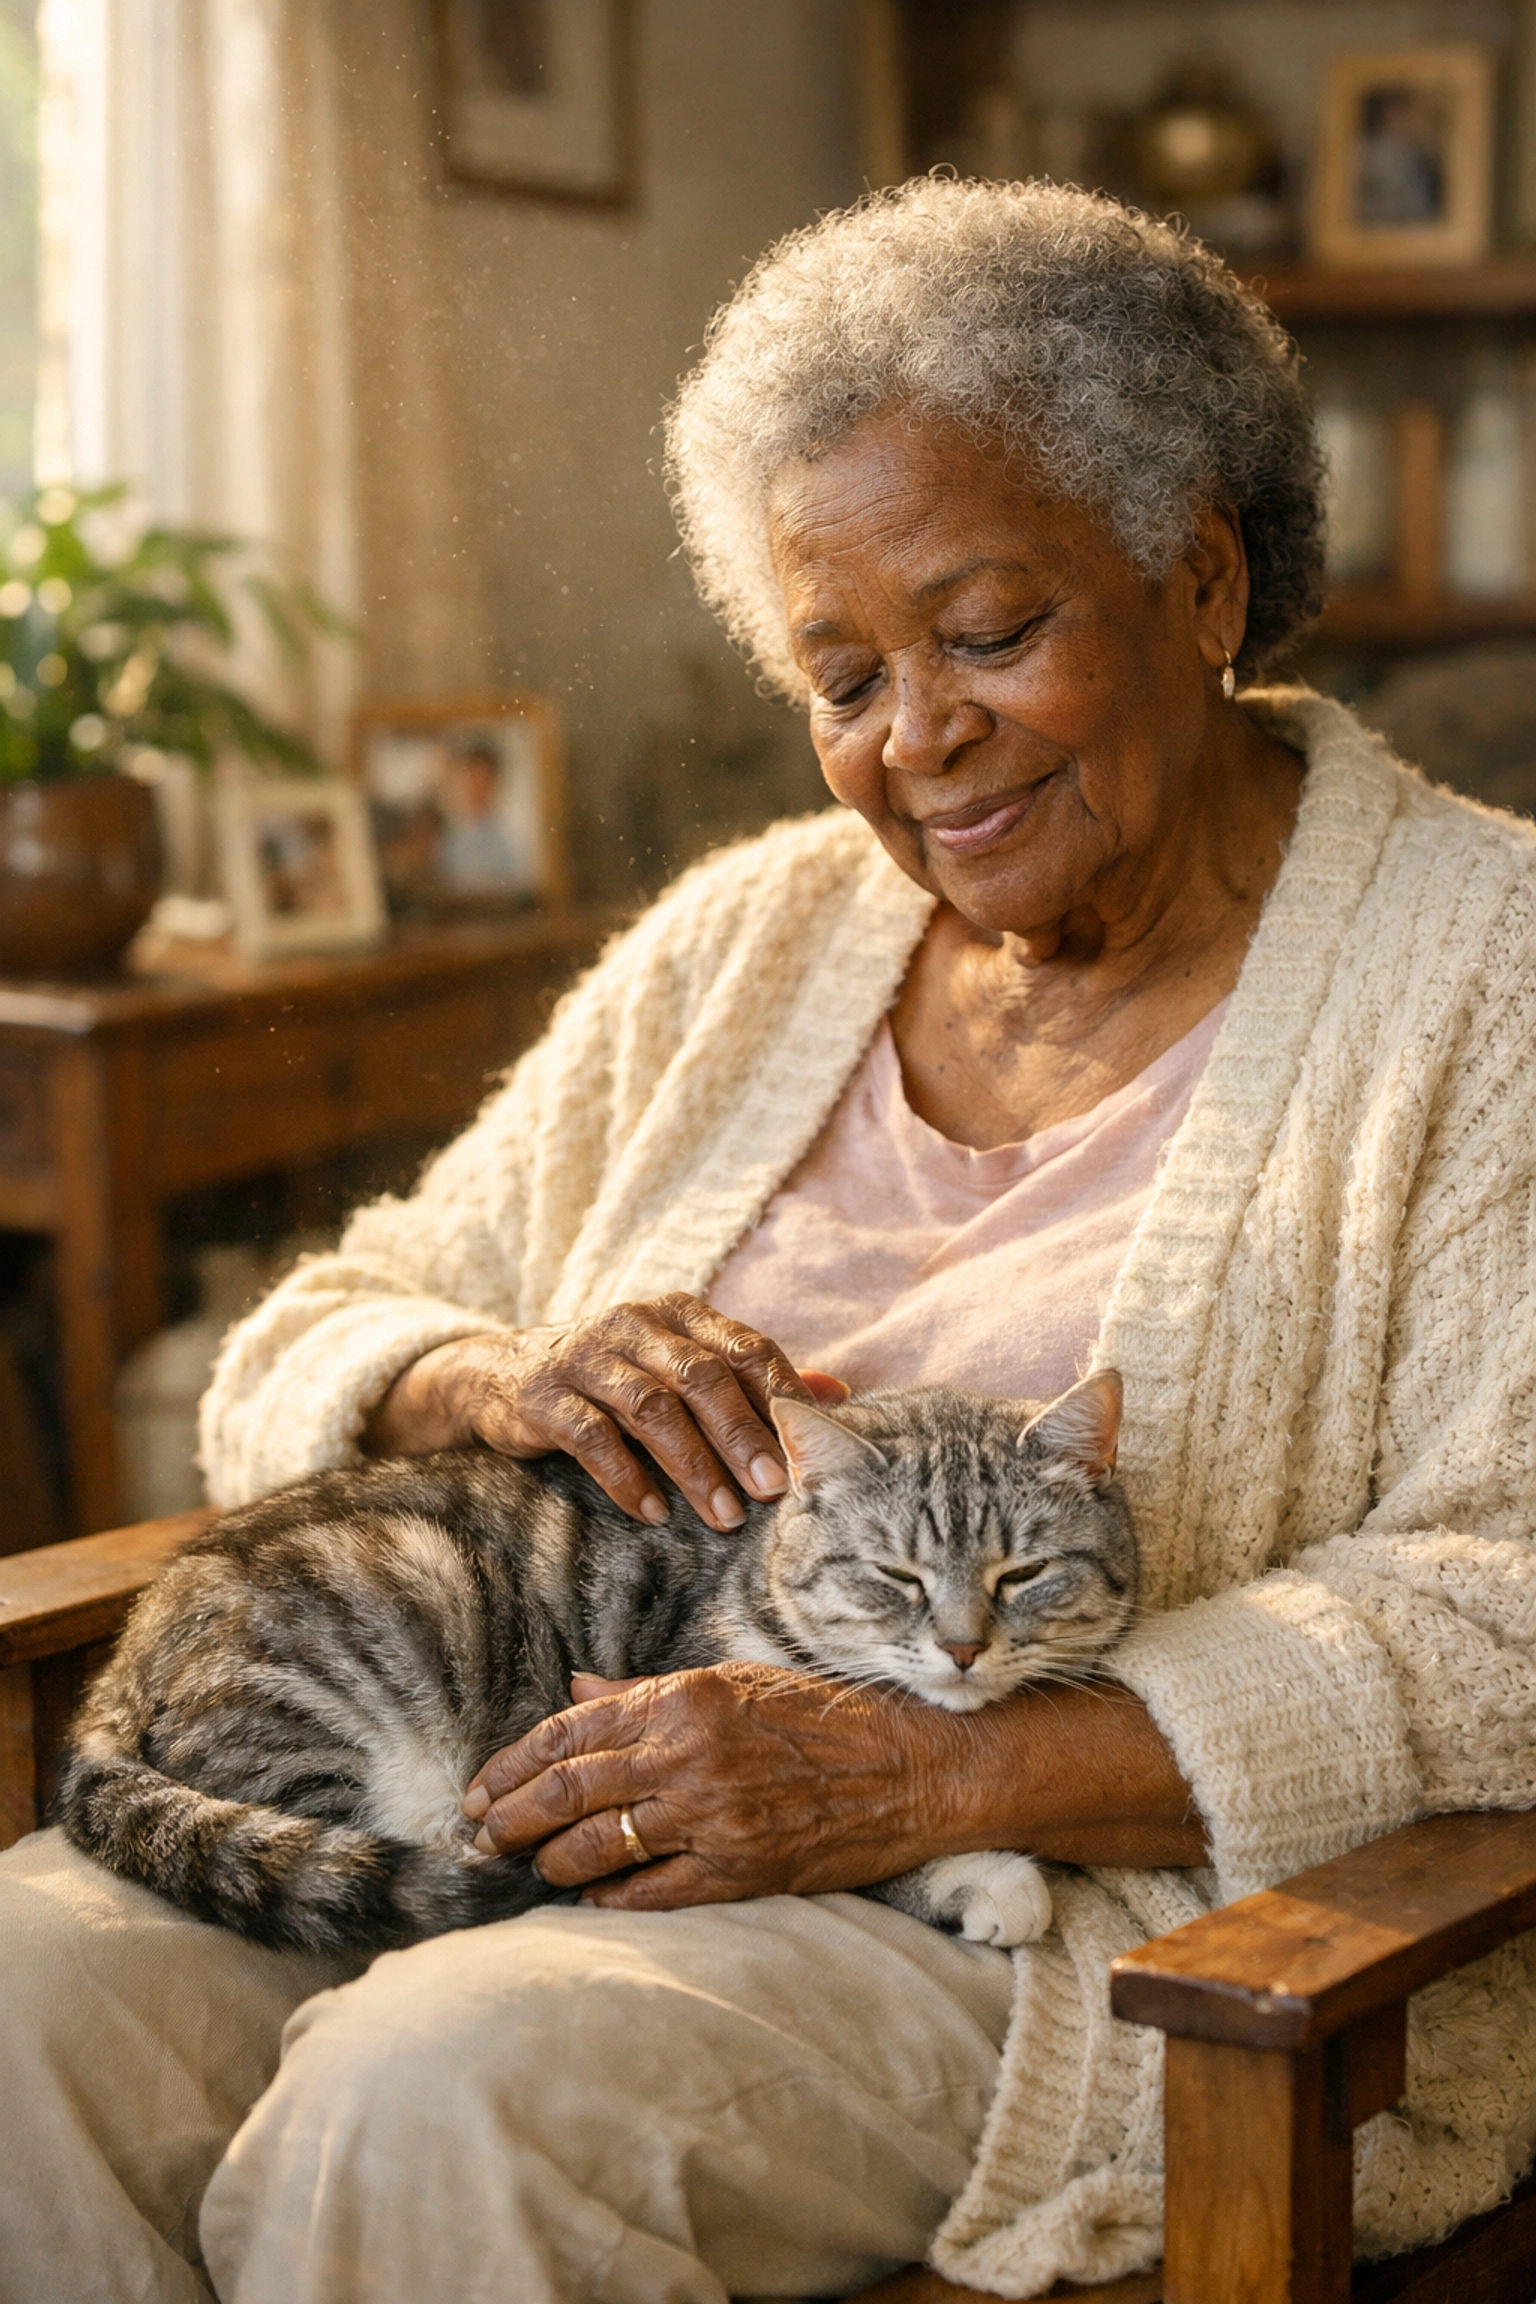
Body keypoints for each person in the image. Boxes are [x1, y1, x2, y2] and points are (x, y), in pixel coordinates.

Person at [5, 178, 1535, 2304]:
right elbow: (309, 1339)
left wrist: (942, 1771)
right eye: (843, 674)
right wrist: (479, 1373)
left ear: (1200, 577)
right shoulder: (748, 939)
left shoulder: (1495, 975)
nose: (915, 739)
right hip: (520, 1788)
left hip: (1085, 1915)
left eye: (988, 632)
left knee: (431, 2093)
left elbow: (1515, 1613)